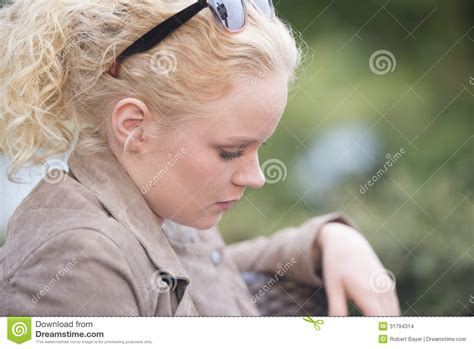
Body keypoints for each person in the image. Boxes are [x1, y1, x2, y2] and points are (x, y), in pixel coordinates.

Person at [0, 0, 400, 316]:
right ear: (134, 127)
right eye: (231, 151)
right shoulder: (79, 262)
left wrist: (325, 240)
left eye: (260, 147)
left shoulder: (162, 198)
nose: (255, 177)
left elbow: (208, 272)